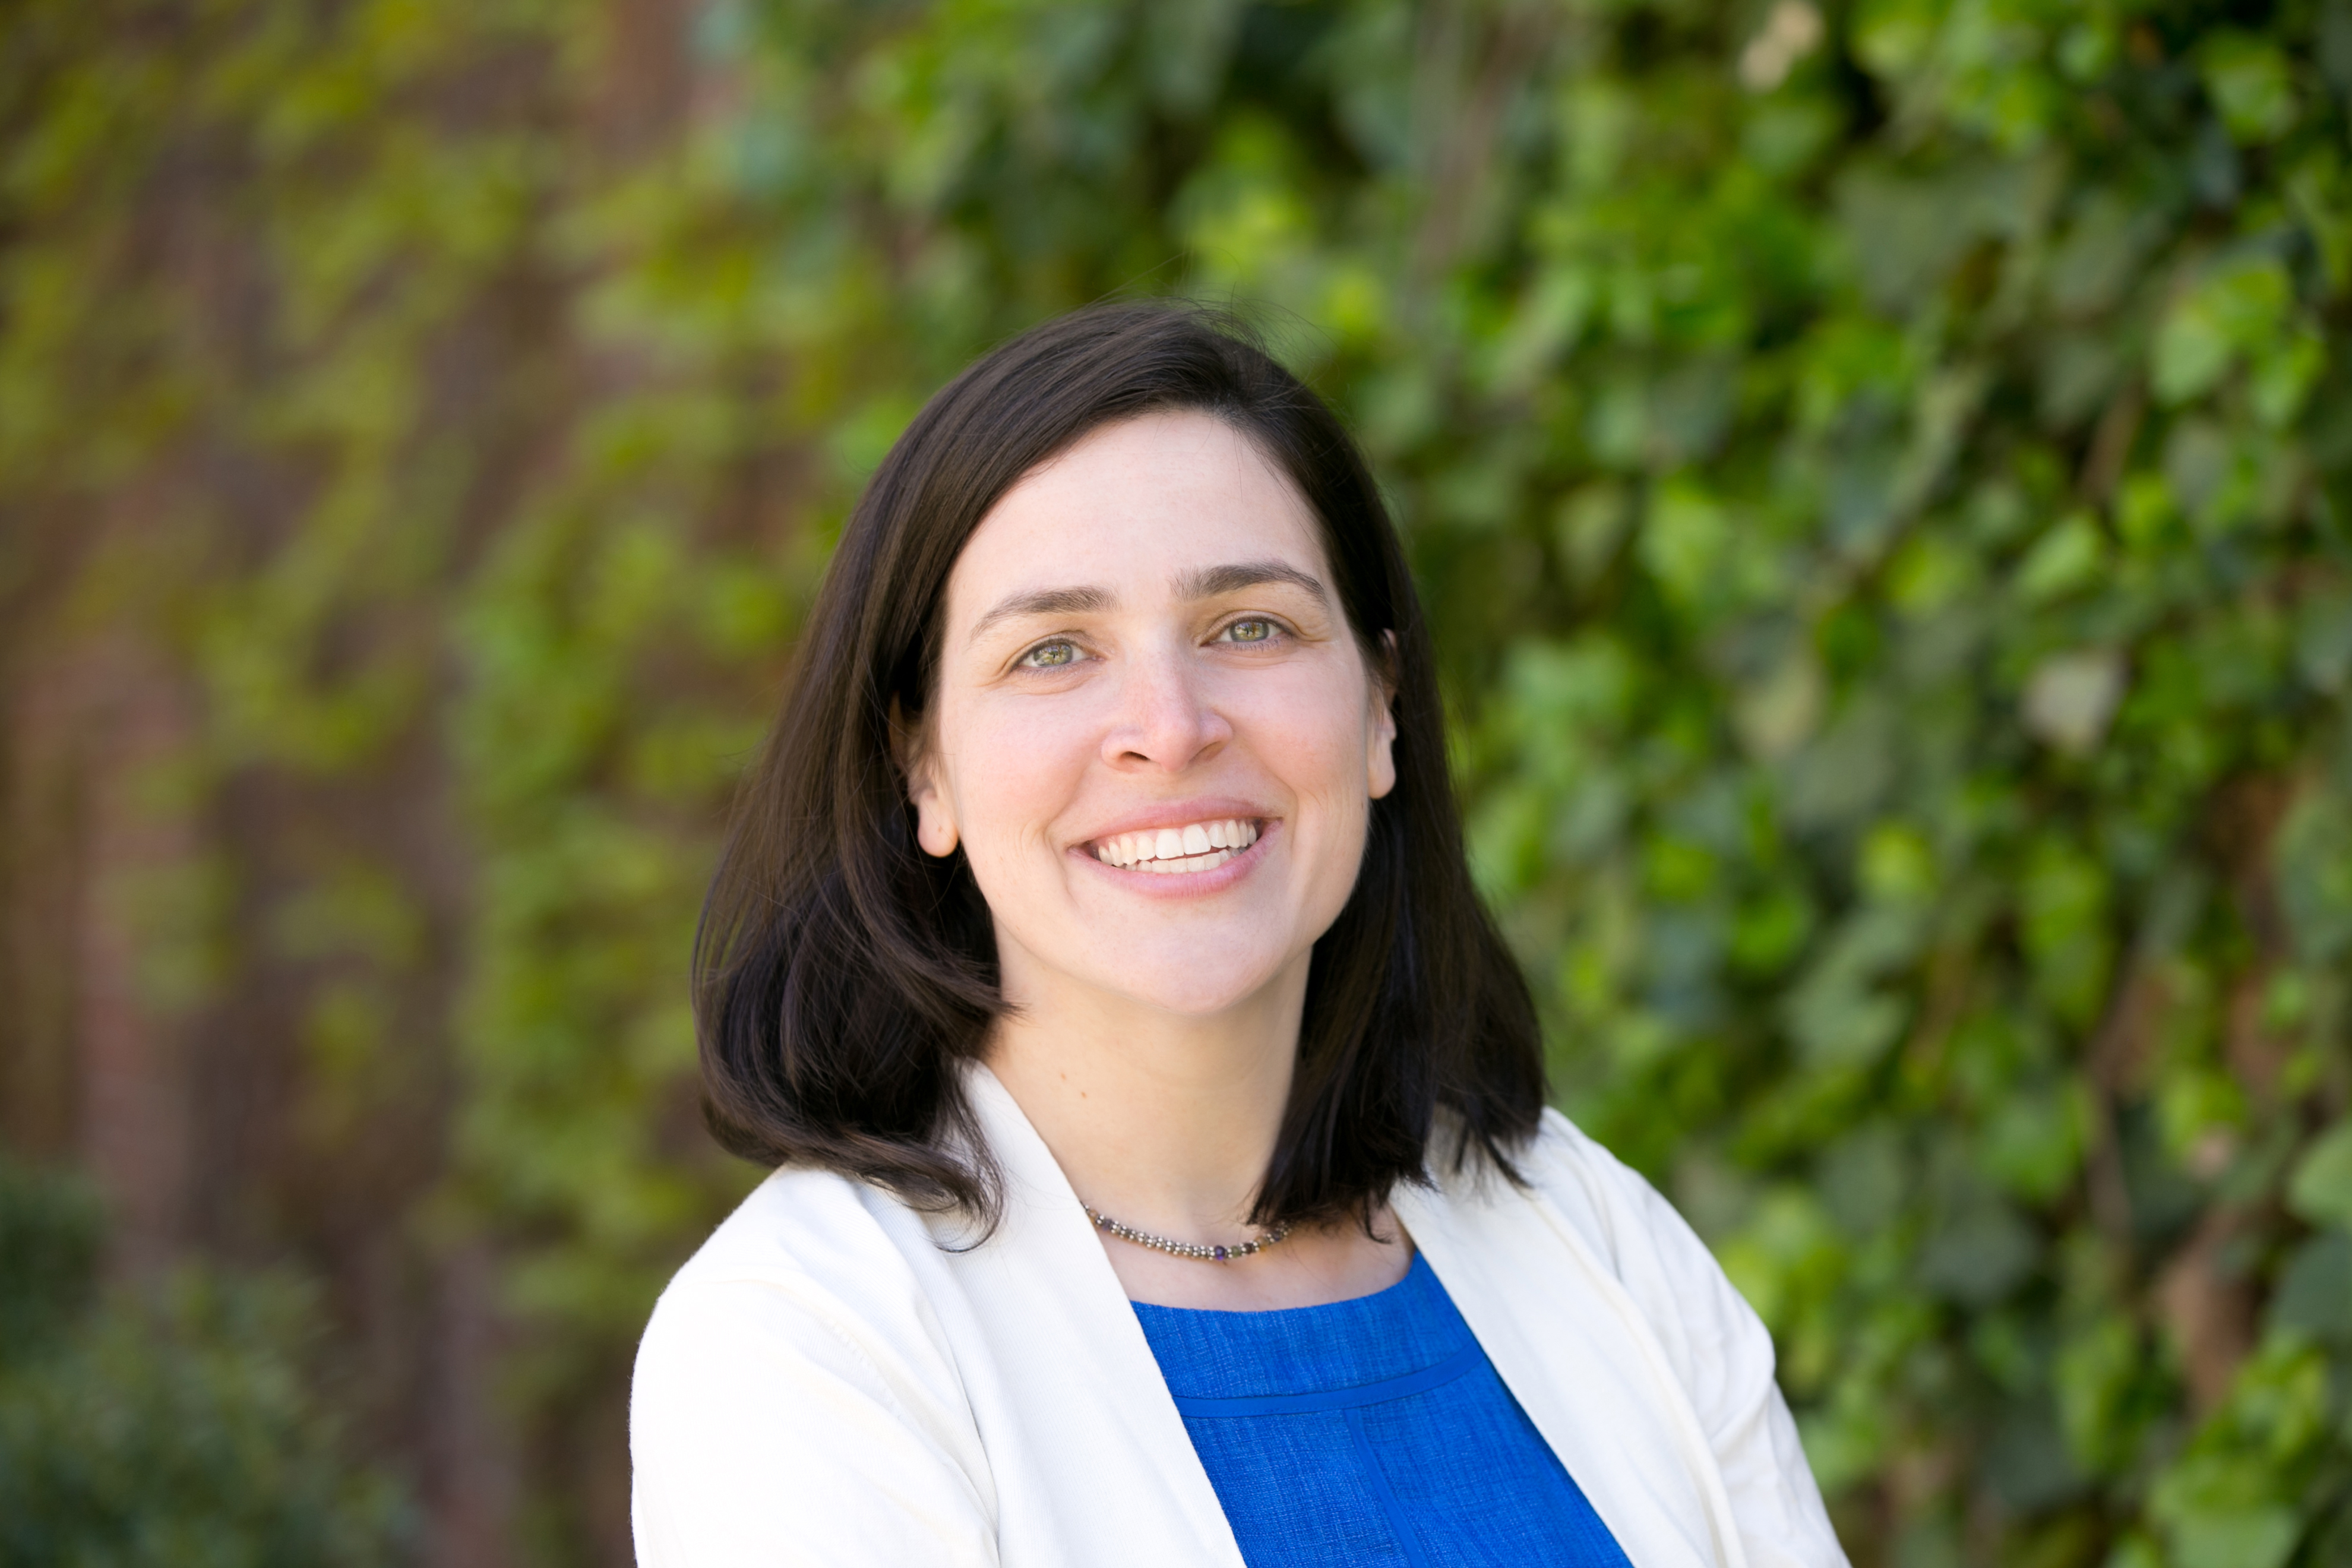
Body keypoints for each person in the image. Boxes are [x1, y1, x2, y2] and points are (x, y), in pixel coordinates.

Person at [630, 302, 1850, 1568]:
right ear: (921, 765)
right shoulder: (807, 1344)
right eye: (1054, 652)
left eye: (1250, 627)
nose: (1171, 724)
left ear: (1382, 708)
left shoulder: (1591, 1233)